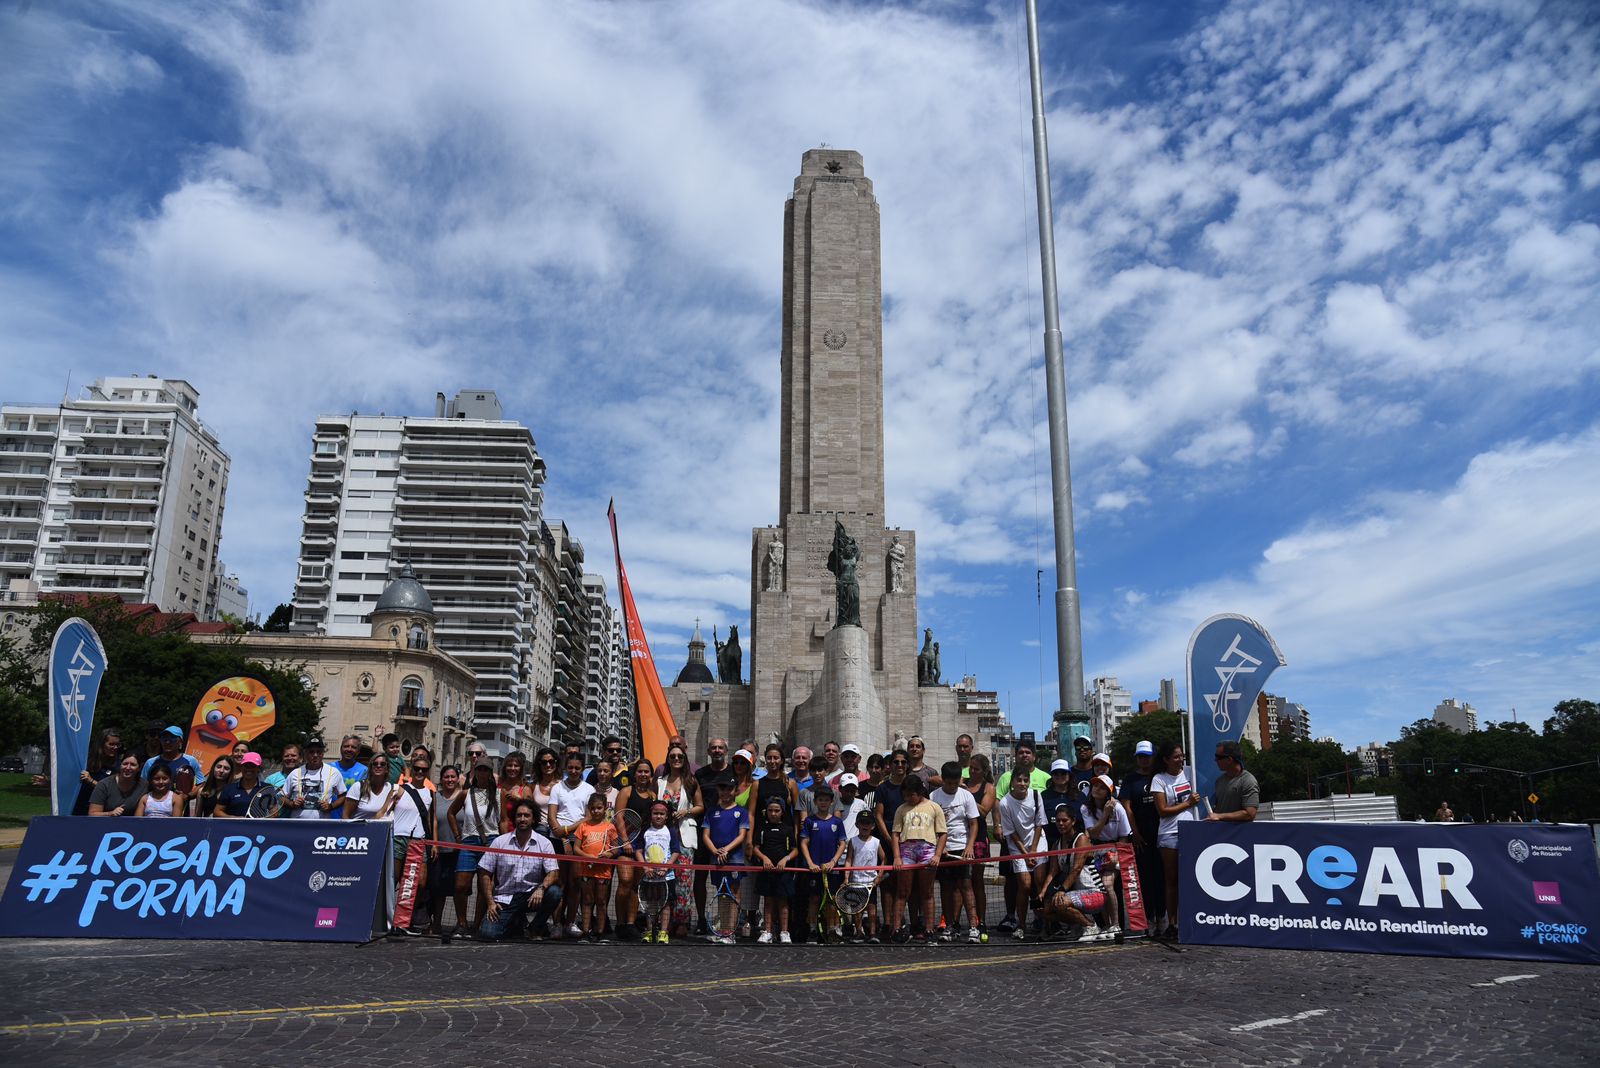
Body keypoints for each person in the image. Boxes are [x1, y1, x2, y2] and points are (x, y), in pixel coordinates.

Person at [476, 798, 564, 942]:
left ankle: (534, 928)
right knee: (488, 934)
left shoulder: (544, 843)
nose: (522, 819)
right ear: (514, 818)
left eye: (526, 815)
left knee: (555, 892)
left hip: (531, 897)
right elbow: (485, 873)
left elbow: (553, 872)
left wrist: (542, 889)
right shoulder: (500, 842)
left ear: (534, 819)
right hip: (505, 899)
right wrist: (491, 902)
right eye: (519, 815)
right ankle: (516, 923)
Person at [1037, 805, 1117, 941]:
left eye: (1064, 820)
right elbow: (1052, 871)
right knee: (1043, 911)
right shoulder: (1057, 844)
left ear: (1073, 821)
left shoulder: (1081, 839)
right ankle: (1080, 924)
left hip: (1095, 893)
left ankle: (1090, 926)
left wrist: (1062, 890)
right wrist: (1043, 892)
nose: (1061, 824)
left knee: (1060, 902)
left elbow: (1077, 868)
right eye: (1058, 821)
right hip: (1076, 894)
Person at [1152, 741, 1202, 941]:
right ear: (1165, 760)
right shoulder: (1159, 779)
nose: (1180, 759)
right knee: (1171, 880)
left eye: (1181, 755)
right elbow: (1162, 811)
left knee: (1191, 878)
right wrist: (1187, 803)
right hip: (1169, 833)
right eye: (1175, 756)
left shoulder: (1190, 772)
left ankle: (1193, 919)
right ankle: (1172, 922)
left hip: (1192, 830)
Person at [890, 774, 947, 942]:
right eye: (905, 795)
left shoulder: (934, 807)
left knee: (927, 892)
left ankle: (929, 929)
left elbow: (942, 833)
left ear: (919, 792)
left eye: (910, 795)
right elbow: (895, 834)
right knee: (902, 891)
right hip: (907, 849)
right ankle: (896, 928)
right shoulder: (901, 809)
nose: (907, 798)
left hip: (927, 849)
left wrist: (937, 854)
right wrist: (897, 857)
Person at [448, 760, 500, 937]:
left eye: (486, 770)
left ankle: (476, 925)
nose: (482, 773)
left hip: (491, 841)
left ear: (491, 772)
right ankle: (461, 922)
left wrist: (504, 844)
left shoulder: (498, 794)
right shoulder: (465, 793)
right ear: (474, 772)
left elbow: (504, 821)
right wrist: (457, 837)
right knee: (461, 884)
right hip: (469, 841)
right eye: (479, 769)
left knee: (484, 886)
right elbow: (451, 813)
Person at [547, 752, 596, 938]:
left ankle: (570, 922)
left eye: (577, 768)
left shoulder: (589, 789)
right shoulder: (557, 787)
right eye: (570, 768)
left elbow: (589, 816)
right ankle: (557, 923)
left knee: (575, 883)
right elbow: (552, 815)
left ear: (582, 769)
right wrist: (562, 835)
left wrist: (567, 831)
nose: (574, 771)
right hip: (557, 839)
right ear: (566, 768)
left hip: (578, 839)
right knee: (559, 882)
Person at [1118, 740, 1165, 936]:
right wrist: (1135, 832)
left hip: (1161, 834)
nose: (1144, 760)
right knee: (1144, 879)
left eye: (1147, 756)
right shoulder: (1130, 780)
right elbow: (1127, 807)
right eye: (1141, 756)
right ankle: (1150, 919)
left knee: (1162, 878)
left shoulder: (1160, 776)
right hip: (1140, 837)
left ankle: (1163, 916)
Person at [932, 760, 981, 943]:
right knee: (946, 887)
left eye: (955, 783)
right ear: (942, 780)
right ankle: (950, 926)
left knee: (966, 886)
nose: (952, 787)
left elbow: (973, 823)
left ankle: (973, 927)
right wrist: (939, 847)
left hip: (961, 846)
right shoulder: (934, 796)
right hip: (943, 849)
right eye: (948, 783)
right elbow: (933, 825)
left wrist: (969, 846)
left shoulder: (966, 796)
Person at [613, 757, 661, 942]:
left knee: (635, 886)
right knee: (625, 881)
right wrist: (625, 841)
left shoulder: (653, 796)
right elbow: (618, 817)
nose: (643, 774)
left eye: (646, 771)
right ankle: (620, 923)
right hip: (625, 845)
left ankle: (631, 924)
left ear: (650, 775)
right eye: (640, 771)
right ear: (635, 774)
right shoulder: (626, 791)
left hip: (643, 847)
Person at [997, 768, 1048, 940]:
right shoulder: (1004, 803)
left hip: (1038, 842)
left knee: (1039, 882)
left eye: (1025, 780)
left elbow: (1039, 823)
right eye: (1019, 780)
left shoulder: (1035, 795)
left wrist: (1033, 851)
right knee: (1025, 885)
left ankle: (1042, 921)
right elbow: (1011, 832)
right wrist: (1026, 853)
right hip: (1017, 846)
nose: (1022, 784)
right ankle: (1021, 924)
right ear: (1012, 782)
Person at [692, 737, 735, 933]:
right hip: (704, 832)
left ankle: (724, 921)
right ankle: (701, 919)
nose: (717, 750)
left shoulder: (734, 771)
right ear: (708, 752)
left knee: (725, 879)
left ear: (726, 751)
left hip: (727, 833)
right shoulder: (700, 774)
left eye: (720, 748)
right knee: (700, 878)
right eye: (713, 748)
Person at [390, 751, 435, 935]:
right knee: (394, 878)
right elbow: (385, 810)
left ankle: (405, 919)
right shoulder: (399, 788)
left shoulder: (431, 793)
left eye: (423, 770)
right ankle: (390, 918)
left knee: (419, 883)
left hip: (419, 840)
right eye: (416, 769)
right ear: (412, 768)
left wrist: (435, 843)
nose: (419, 772)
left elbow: (433, 820)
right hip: (399, 836)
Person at [632, 799, 685, 943]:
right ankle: (649, 932)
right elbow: (638, 851)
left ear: (667, 816)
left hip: (666, 876)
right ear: (651, 814)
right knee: (651, 904)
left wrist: (666, 867)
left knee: (666, 904)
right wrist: (645, 867)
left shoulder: (671, 831)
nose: (659, 816)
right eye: (656, 813)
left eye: (662, 814)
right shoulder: (645, 831)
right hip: (649, 876)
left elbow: (675, 851)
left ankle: (663, 932)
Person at [704, 778, 750, 944]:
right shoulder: (711, 811)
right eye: (722, 789)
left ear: (735, 791)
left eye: (729, 789)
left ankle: (730, 932)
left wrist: (726, 849)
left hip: (734, 859)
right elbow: (705, 835)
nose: (725, 792)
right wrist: (715, 851)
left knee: (733, 894)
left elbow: (742, 835)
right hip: (716, 859)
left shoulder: (741, 812)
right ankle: (723, 930)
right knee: (722, 894)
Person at [800, 782, 848, 942]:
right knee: (813, 900)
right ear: (815, 802)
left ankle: (831, 930)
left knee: (831, 900)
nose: (823, 803)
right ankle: (813, 930)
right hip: (814, 869)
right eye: (820, 800)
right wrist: (810, 863)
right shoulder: (809, 821)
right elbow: (804, 843)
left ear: (831, 802)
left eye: (826, 800)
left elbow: (842, 843)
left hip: (831, 869)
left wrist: (834, 861)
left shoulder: (837, 822)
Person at [574, 791, 622, 942]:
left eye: (599, 808)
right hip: (586, 869)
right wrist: (588, 857)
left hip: (603, 871)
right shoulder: (583, 826)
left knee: (601, 901)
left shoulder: (610, 827)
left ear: (605, 809)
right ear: (589, 808)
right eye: (593, 808)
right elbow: (576, 848)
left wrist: (608, 855)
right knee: (587, 900)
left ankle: (600, 932)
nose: (596, 811)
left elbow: (615, 849)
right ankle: (586, 931)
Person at [752, 797, 797, 944]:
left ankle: (784, 932)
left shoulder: (788, 830)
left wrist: (786, 859)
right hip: (767, 871)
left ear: (782, 812)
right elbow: (755, 848)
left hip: (783, 872)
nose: (773, 813)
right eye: (770, 810)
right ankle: (767, 931)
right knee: (768, 902)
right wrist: (764, 858)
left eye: (776, 810)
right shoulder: (762, 829)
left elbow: (795, 850)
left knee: (783, 902)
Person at [965, 752, 997, 936]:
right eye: (971, 768)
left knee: (977, 881)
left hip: (979, 837)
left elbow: (984, 811)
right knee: (962, 881)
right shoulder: (964, 782)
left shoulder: (988, 787)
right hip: (962, 835)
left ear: (984, 771)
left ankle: (981, 919)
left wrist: (966, 796)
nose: (972, 772)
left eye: (976, 769)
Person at [429, 763, 462, 935]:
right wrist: (434, 843)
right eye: (446, 777)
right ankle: (437, 923)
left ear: (458, 779)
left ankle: (460, 922)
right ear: (441, 779)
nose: (449, 780)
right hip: (440, 850)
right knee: (439, 889)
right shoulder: (436, 796)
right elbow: (433, 820)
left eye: (452, 777)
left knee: (459, 889)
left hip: (459, 851)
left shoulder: (464, 796)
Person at [844, 810, 884, 943]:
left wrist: (879, 876)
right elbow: (849, 859)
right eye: (862, 823)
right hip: (856, 881)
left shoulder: (876, 842)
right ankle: (859, 932)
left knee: (872, 909)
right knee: (857, 909)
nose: (865, 826)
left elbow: (884, 859)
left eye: (868, 823)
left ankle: (872, 933)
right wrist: (846, 877)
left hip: (870, 882)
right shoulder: (853, 841)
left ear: (873, 826)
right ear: (857, 824)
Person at [282, 738, 345, 819]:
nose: (315, 755)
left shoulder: (333, 772)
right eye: (311, 752)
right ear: (305, 754)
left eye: (318, 752)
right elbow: (281, 797)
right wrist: (292, 804)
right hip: (298, 825)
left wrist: (331, 806)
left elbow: (343, 796)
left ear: (323, 754)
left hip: (322, 826)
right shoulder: (295, 773)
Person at [71, 728, 123, 815]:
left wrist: (91, 781)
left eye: (117, 744)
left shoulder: (118, 766)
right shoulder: (85, 762)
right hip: (79, 807)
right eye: (111, 744)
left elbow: (112, 791)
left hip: (101, 811)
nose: (115, 747)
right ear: (101, 744)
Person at [1208, 741, 1259, 822]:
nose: (1215, 760)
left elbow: (1250, 814)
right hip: (1221, 832)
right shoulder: (1219, 781)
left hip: (1239, 833)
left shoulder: (1248, 781)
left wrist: (1220, 816)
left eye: (1218, 757)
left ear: (1229, 760)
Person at [343, 754, 398, 820]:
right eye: (375, 764)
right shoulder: (358, 787)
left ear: (387, 769)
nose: (378, 766)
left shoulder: (390, 788)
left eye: (382, 764)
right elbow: (345, 816)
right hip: (357, 829)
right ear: (371, 768)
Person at [216, 753, 273, 817]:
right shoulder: (229, 788)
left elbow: (274, 812)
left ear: (259, 768)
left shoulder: (267, 788)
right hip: (233, 826)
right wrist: (233, 818)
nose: (249, 769)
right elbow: (217, 811)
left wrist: (263, 822)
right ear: (241, 767)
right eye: (246, 765)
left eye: (253, 766)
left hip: (258, 826)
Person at [497, 751, 532, 832]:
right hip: (494, 833)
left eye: (516, 766)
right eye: (509, 765)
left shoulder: (525, 789)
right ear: (505, 767)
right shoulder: (498, 786)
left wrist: (519, 800)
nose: (512, 768)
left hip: (517, 832)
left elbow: (531, 812)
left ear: (521, 768)